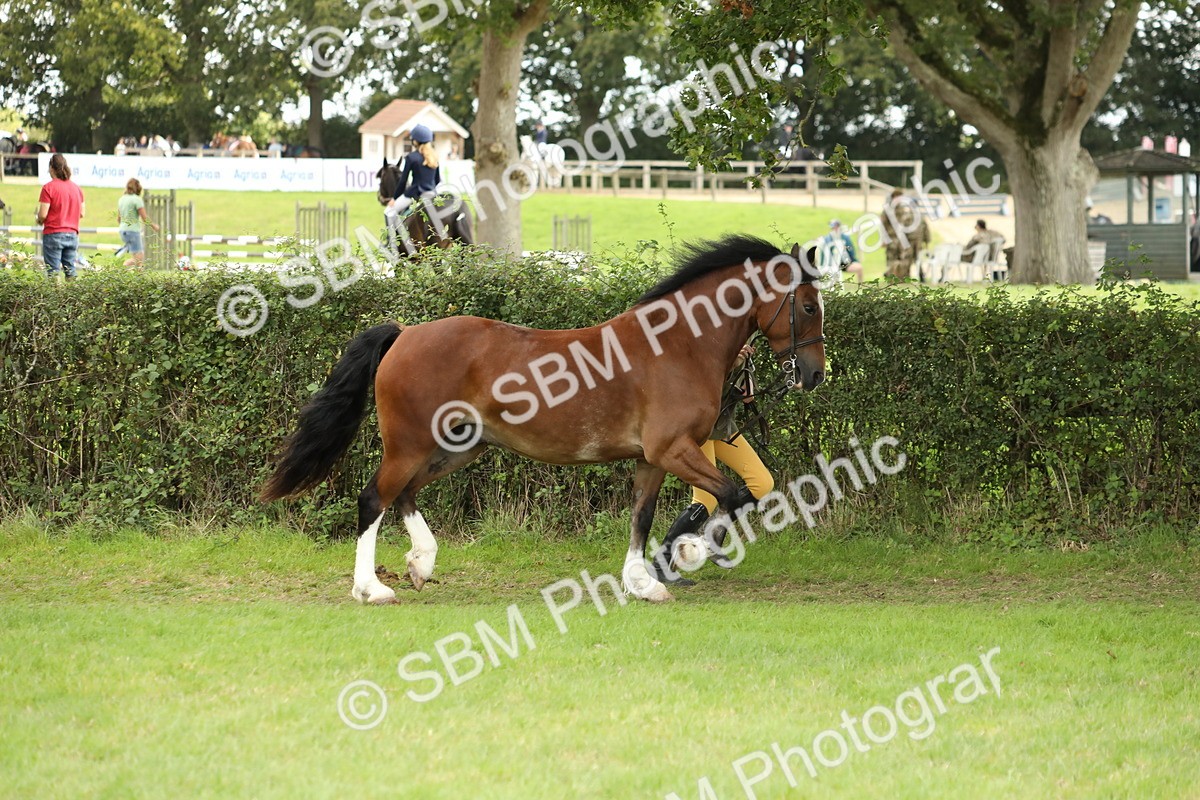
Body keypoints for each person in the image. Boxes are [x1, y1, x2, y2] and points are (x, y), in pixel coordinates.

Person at [651, 344, 774, 586]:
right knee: (705, 499)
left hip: (725, 428)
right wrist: (730, 363)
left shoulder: (740, 346)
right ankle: (660, 564)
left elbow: (746, 395)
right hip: (702, 430)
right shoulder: (710, 343)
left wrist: (745, 371)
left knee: (762, 483)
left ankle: (713, 536)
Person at [37, 153, 85, 279]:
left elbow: (43, 214)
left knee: (53, 273)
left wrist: (38, 219)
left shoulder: (48, 188)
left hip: (53, 233)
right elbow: (82, 213)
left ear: (51, 168)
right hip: (72, 234)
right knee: (70, 271)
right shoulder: (77, 188)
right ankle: (73, 297)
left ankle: (56, 298)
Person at [385, 124, 441, 221]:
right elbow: (437, 180)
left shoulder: (411, 157)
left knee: (388, 212)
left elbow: (403, 181)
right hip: (432, 194)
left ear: (415, 141)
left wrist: (394, 199)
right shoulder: (434, 157)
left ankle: (392, 236)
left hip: (415, 194)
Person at [882, 189, 930, 279]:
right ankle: (889, 275)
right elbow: (883, 225)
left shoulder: (904, 211)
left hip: (903, 240)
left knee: (905, 259)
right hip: (892, 239)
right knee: (891, 258)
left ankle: (904, 276)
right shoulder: (888, 210)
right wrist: (884, 239)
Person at [117, 178, 160, 266]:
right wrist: (154, 226)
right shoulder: (136, 200)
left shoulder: (122, 199)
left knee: (136, 257)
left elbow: (118, 219)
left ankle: (136, 277)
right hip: (133, 231)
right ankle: (122, 268)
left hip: (122, 231)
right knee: (139, 258)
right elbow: (144, 218)